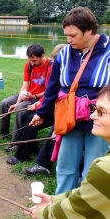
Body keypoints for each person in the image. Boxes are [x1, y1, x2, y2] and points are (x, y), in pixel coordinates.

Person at [30, 7, 109, 195]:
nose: (68, 40)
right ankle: (61, 204)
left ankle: (87, 206)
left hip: (99, 120)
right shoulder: (65, 54)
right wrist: (42, 113)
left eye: (73, 35)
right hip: (69, 118)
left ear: (89, 30)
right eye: (66, 35)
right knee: (65, 167)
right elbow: (53, 88)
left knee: (94, 168)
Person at [26, 83, 110, 219]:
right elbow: (87, 194)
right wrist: (54, 201)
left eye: (101, 111)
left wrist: (44, 213)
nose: (92, 116)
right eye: (94, 108)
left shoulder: (105, 167)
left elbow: (79, 208)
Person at [6, 44, 66, 167]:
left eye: (56, 61)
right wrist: (39, 104)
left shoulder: (66, 74)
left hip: (61, 111)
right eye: (54, 60)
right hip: (50, 106)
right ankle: (30, 148)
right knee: (25, 116)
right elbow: (51, 93)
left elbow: (56, 94)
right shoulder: (57, 69)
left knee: (30, 118)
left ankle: (22, 155)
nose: (54, 64)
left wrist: (38, 105)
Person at [0, 44, 51, 143]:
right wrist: (17, 102)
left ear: (42, 55)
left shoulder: (50, 66)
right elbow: (24, 86)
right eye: (30, 60)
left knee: (20, 108)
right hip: (29, 95)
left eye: (34, 60)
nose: (32, 63)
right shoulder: (28, 65)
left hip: (39, 98)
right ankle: (3, 134)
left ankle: (16, 142)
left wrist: (34, 96)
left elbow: (49, 91)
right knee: (5, 103)